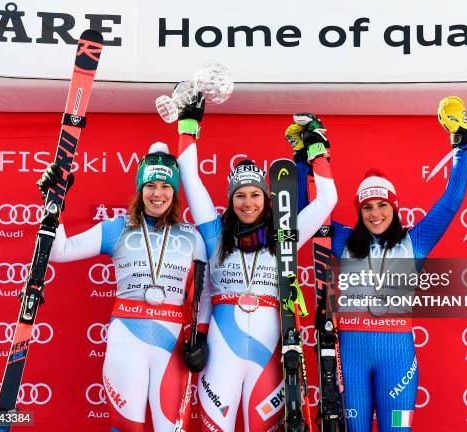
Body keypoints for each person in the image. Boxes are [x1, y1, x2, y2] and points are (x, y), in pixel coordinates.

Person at [293, 96, 467, 431]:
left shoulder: (415, 241)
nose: (375, 213)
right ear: (359, 211)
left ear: (394, 207)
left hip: (398, 356)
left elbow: (451, 203)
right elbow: (307, 212)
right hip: (352, 352)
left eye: (382, 205)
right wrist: (303, 159)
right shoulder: (344, 239)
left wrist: (462, 146)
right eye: (367, 207)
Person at [172, 95, 337, 431]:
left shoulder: (284, 233)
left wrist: (318, 149)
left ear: (267, 196)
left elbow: (327, 199)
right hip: (221, 347)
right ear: (230, 200)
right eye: (240, 195)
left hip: (270, 343)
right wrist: (188, 124)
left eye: (255, 194)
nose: (247, 203)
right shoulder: (215, 229)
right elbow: (189, 175)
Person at [37, 143, 209, 432]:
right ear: (140, 189)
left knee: (172, 429)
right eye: (150, 185)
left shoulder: (192, 236)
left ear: (175, 191)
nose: (158, 193)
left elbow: (202, 294)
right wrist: (54, 206)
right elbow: (60, 251)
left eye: (166, 186)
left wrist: (200, 337)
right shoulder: (117, 228)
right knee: (127, 427)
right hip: (127, 338)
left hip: (173, 342)